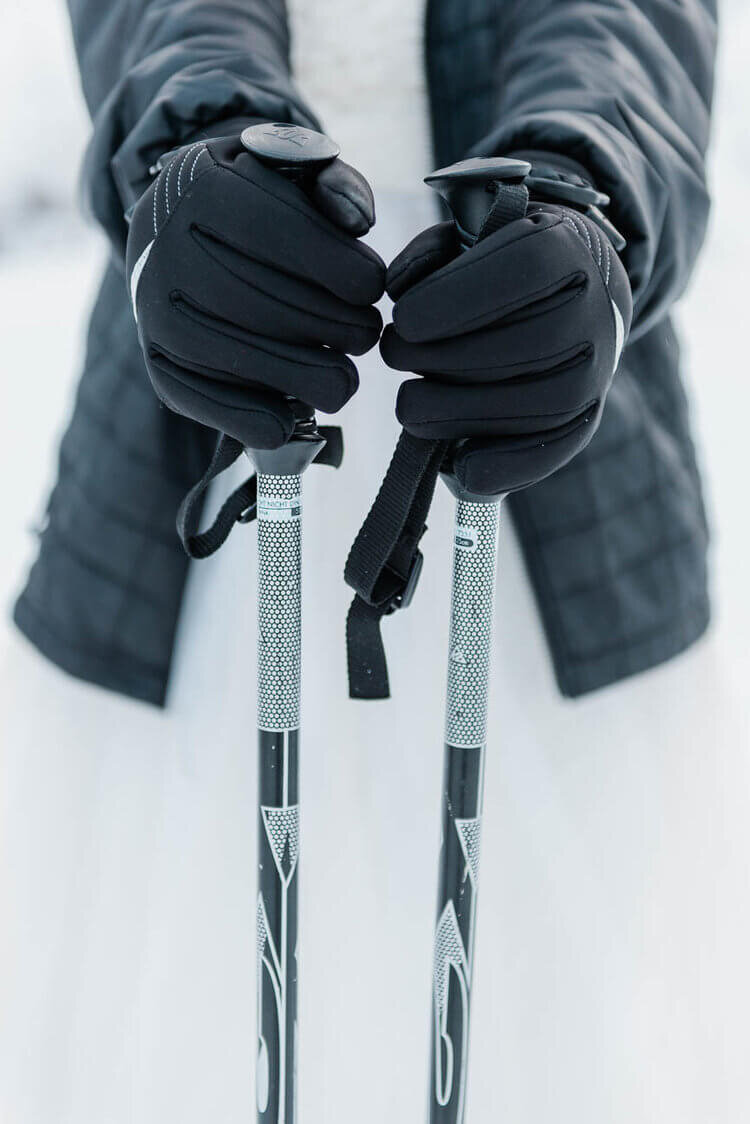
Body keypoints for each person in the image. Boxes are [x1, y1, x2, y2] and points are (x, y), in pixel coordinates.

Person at [5, 1, 724, 1121]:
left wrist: (592, 185)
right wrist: (190, 139)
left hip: (536, 366)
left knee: (549, 1021)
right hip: (218, 330)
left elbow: (627, 22)